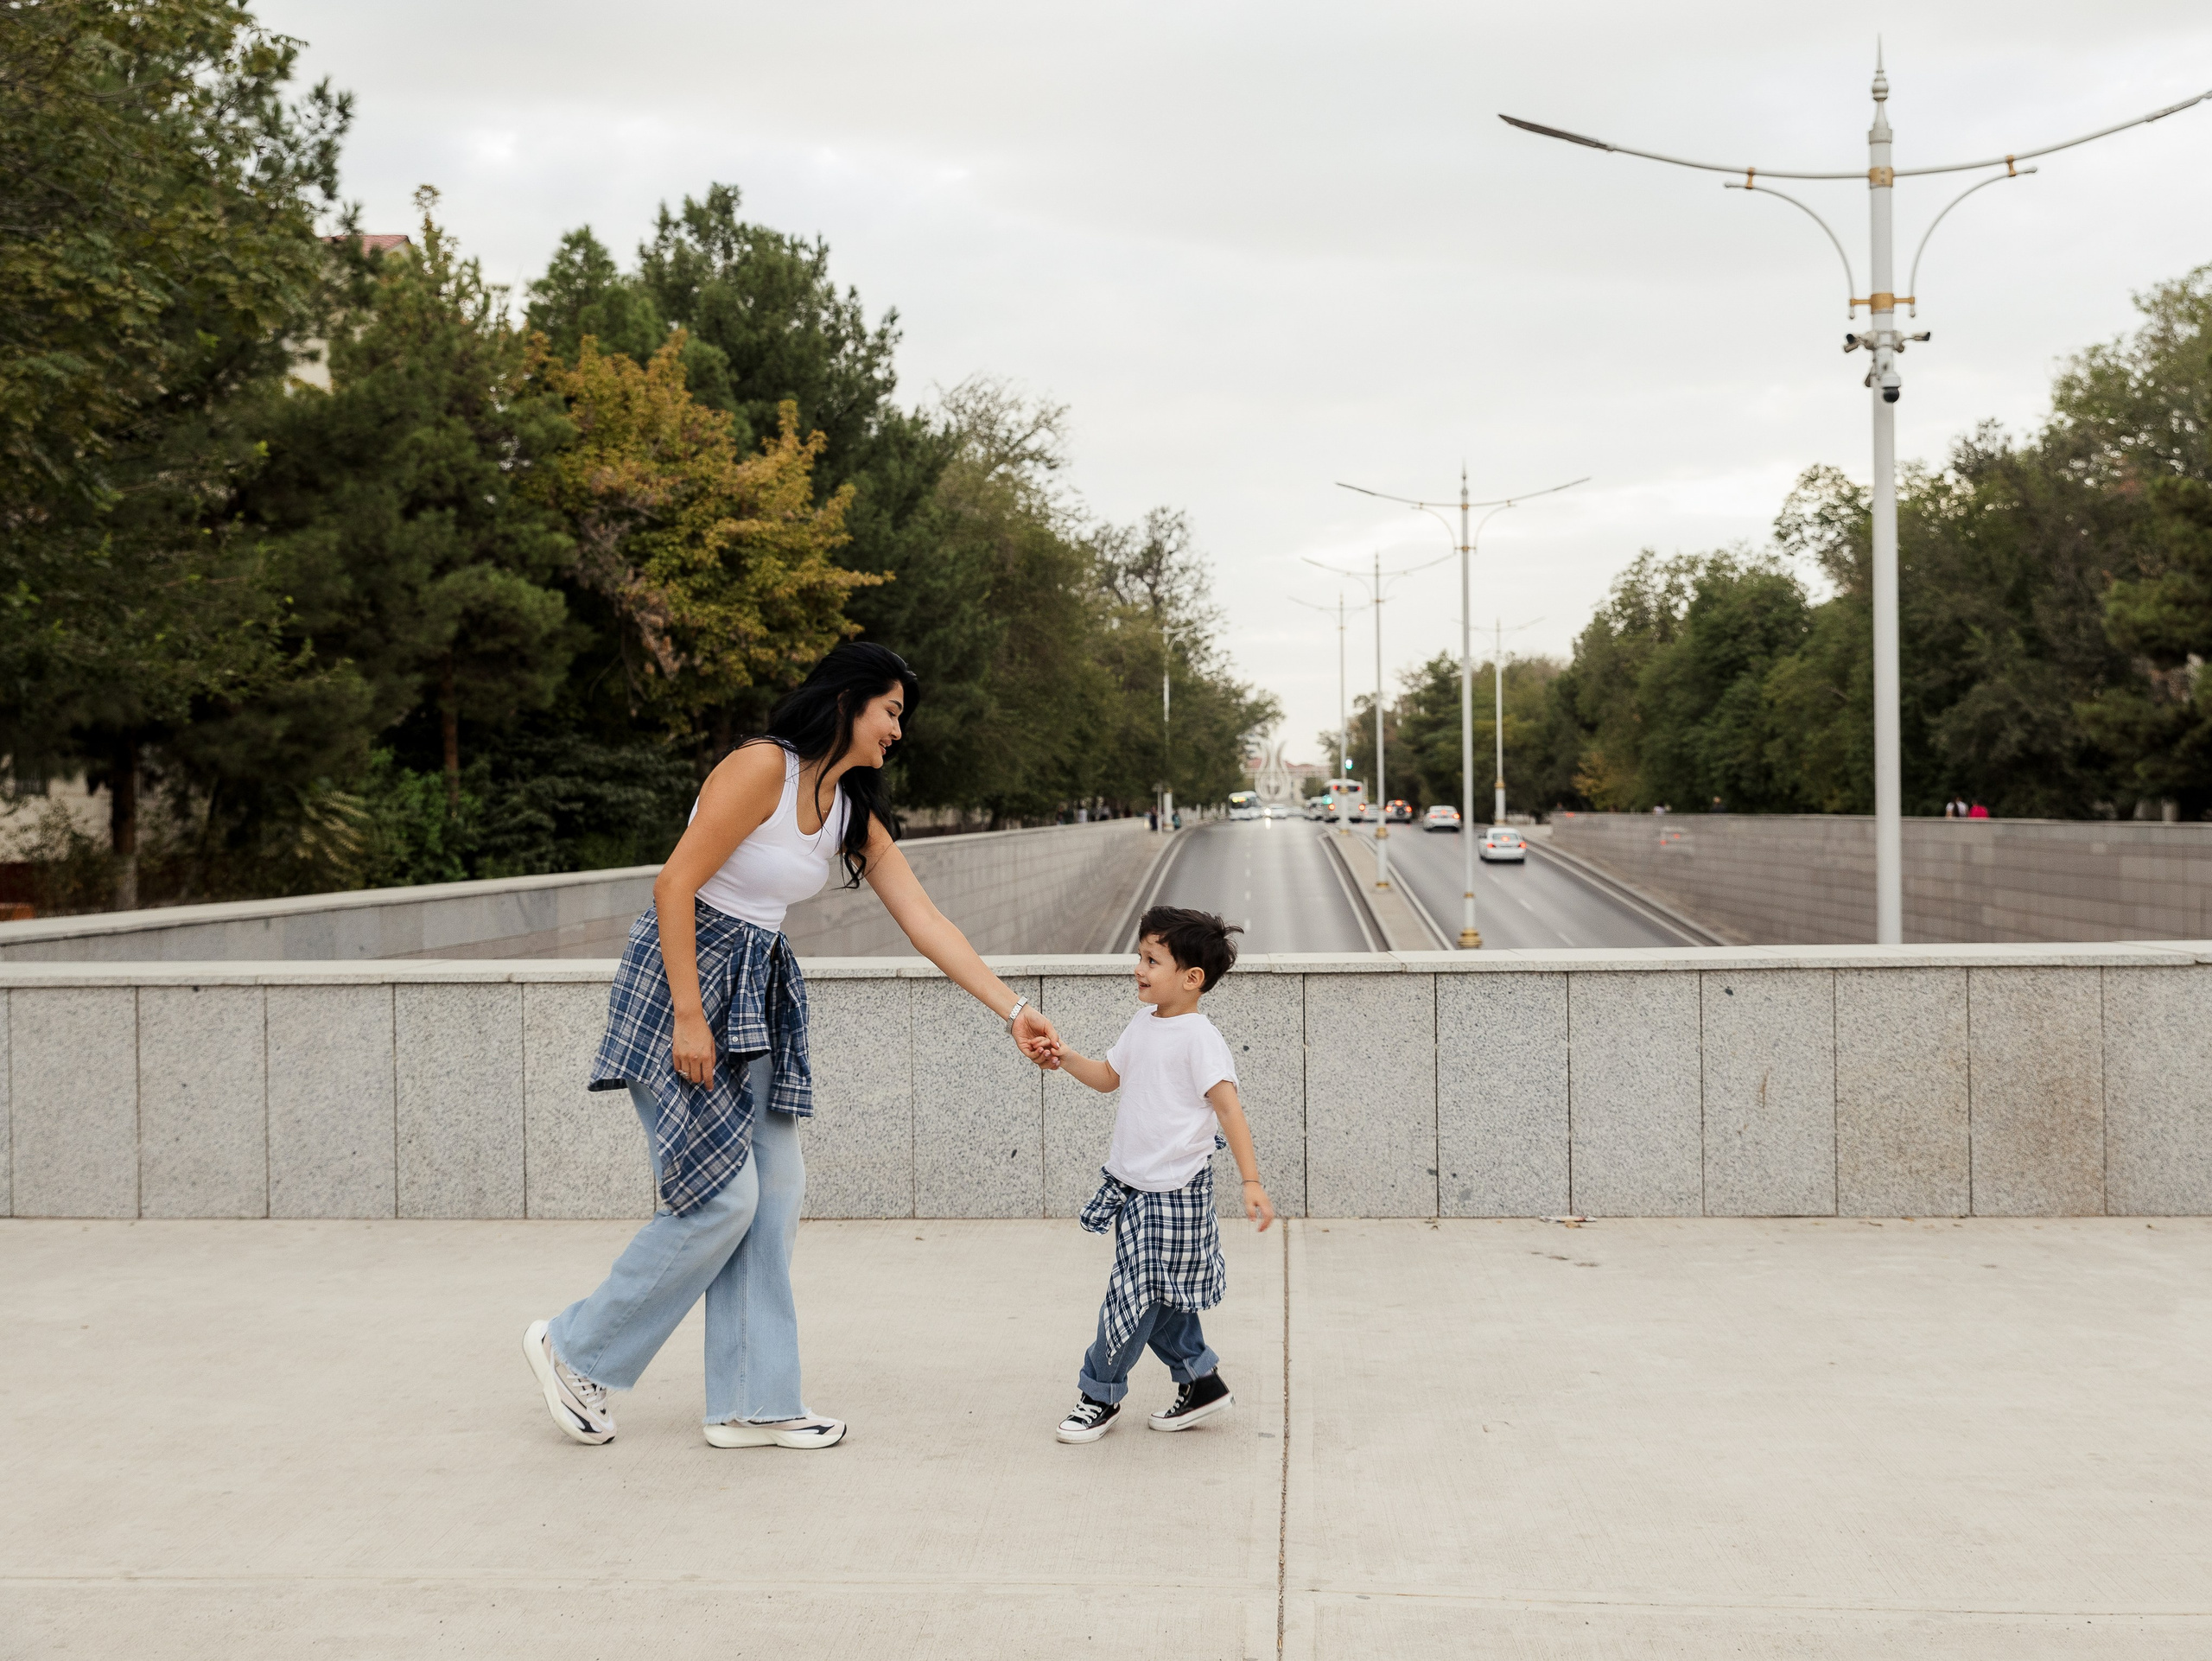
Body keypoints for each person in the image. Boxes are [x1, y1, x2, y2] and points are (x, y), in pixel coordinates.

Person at [523, 643, 1059, 1449]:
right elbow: (674, 885)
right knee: (723, 1199)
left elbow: (925, 920)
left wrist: (1012, 1010)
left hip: (759, 996)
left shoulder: (849, 809)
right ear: (848, 703)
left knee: (773, 1199)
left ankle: (753, 1400)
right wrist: (689, 1016)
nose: (897, 732)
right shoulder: (760, 769)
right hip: (684, 984)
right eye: (891, 712)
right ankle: (576, 1348)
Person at [1039, 906, 1274, 1444]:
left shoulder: (1199, 1038)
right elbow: (1108, 1078)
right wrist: (1065, 1057)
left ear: (1192, 979)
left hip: (1174, 1192)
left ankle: (1098, 1393)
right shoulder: (1143, 1023)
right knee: (1161, 1296)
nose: (1139, 968)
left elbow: (1229, 1108)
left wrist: (1251, 1180)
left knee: (1133, 1297)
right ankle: (1201, 1382)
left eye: (1153, 959)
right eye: (1140, 956)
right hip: (1136, 1186)